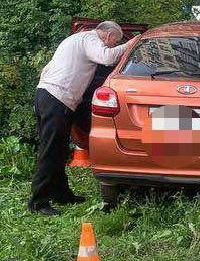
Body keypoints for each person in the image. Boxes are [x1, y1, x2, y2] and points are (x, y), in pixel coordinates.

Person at [29, 21, 139, 215]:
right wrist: (132, 43)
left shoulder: (77, 39)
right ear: (108, 35)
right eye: (115, 41)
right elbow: (106, 58)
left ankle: (61, 194)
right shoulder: (90, 39)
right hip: (57, 97)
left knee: (60, 150)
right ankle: (38, 202)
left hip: (50, 95)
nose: (113, 45)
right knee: (51, 150)